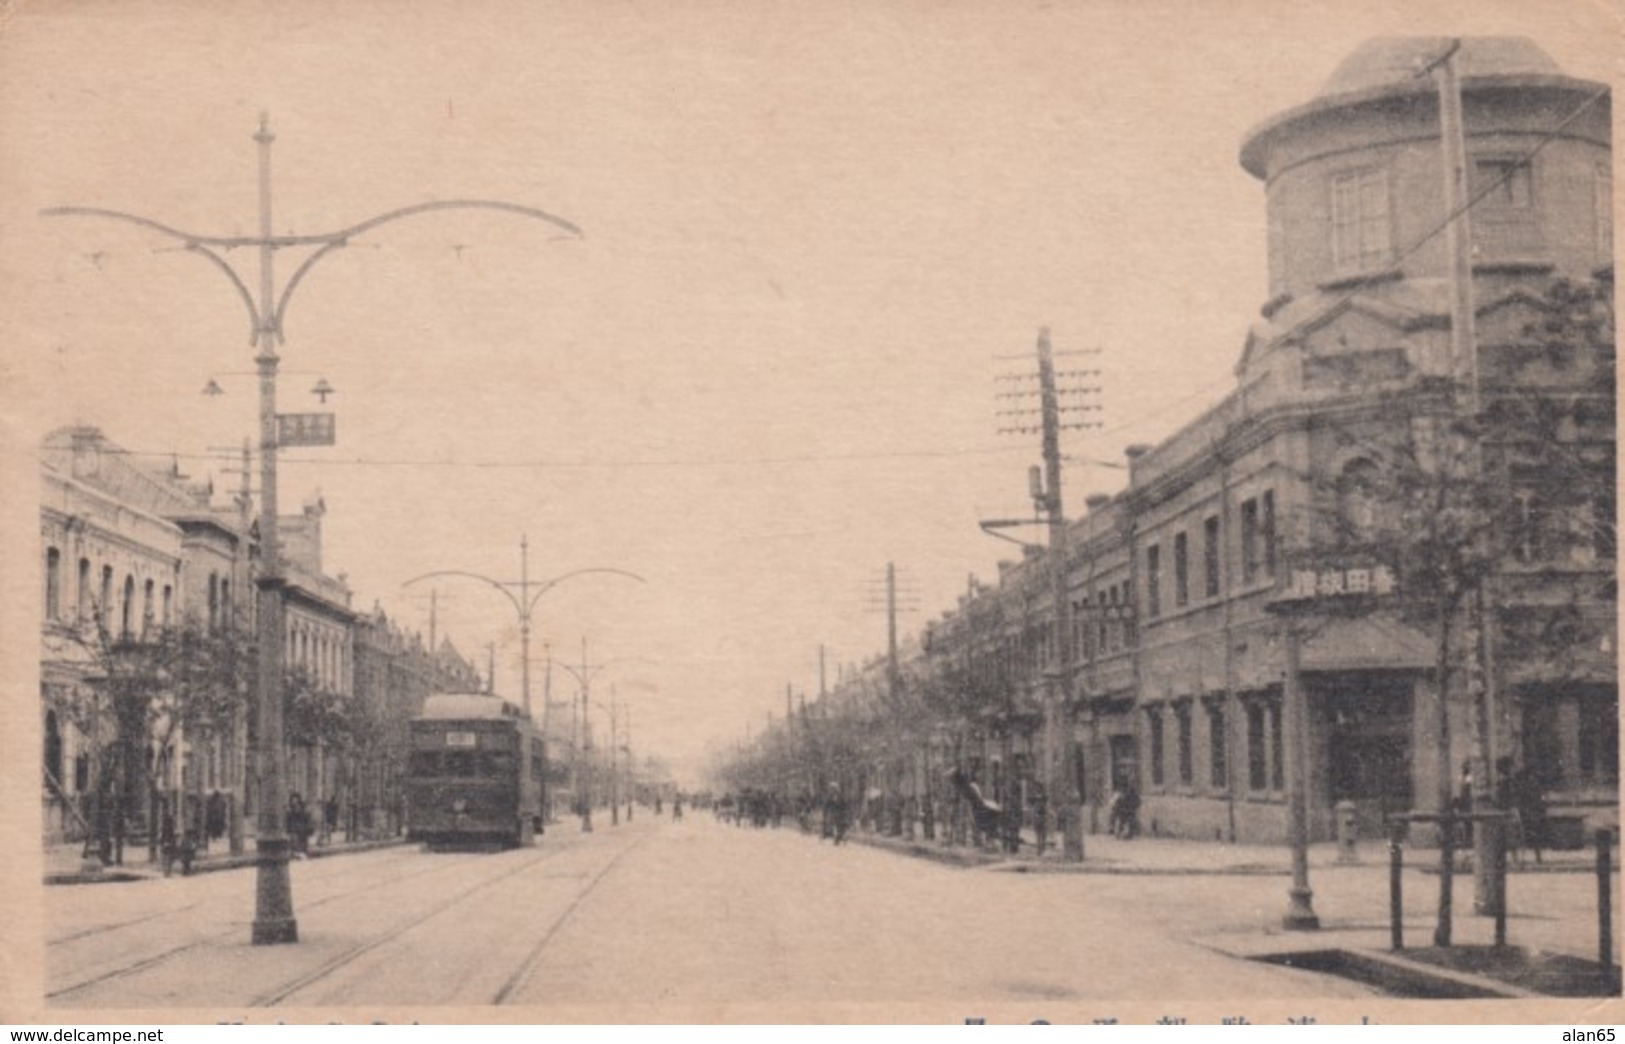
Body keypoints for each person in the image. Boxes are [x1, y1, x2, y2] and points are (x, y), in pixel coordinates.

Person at [287, 792, 312, 858]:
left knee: (302, 842)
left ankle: (302, 853)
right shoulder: (290, 809)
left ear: (298, 800)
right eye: (292, 800)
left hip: (302, 829)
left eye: (295, 800)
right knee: (294, 840)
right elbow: (289, 820)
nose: (294, 802)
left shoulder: (302, 809)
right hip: (294, 828)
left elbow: (306, 818)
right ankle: (296, 852)